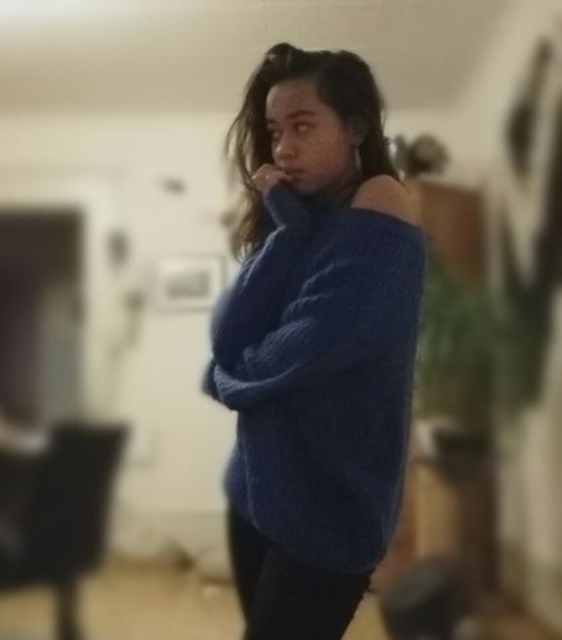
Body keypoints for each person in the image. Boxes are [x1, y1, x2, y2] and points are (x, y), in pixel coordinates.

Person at [201, 42, 426, 640]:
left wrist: (228, 377)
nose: (282, 149)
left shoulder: (381, 200)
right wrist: (286, 228)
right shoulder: (299, 218)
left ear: (355, 129)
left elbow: (295, 354)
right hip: (256, 488)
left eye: (302, 126)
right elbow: (229, 334)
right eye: (275, 131)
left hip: (328, 509)